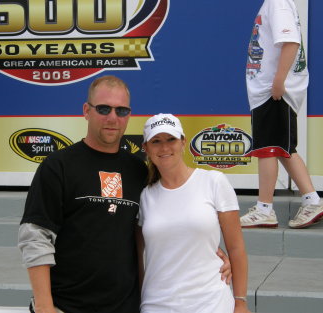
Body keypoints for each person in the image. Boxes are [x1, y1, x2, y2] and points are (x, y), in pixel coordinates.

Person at [18, 75, 232, 313]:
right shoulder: (58, 165)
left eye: (121, 110)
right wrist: (45, 306)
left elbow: (173, 216)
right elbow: (35, 238)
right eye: (103, 108)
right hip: (65, 306)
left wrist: (213, 258)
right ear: (86, 111)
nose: (112, 118)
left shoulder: (140, 171)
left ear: (129, 116)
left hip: (125, 307)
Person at [241, 0, 323, 229]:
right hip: (268, 90)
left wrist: (278, 82)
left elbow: (290, 43)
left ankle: (264, 209)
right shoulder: (273, 0)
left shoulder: (278, 1)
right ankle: (312, 200)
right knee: (283, 148)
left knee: (268, 149)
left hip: (272, 91)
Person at [136, 113, 250, 313]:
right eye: (156, 141)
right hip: (156, 304)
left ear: (183, 142)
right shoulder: (144, 195)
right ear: (146, 148)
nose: (164, 147)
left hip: (211, 303)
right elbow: (137, 257)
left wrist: (240, 302)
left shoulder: (214, 182)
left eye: (171, 139)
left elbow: (236, 248)